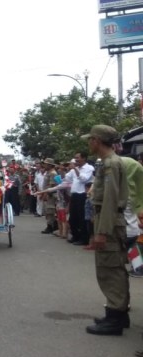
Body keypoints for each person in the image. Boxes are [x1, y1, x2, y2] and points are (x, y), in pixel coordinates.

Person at [82, 125, 130, 336]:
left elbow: (110, 200)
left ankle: (116, 318)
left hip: (108, 220)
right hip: (106, 218)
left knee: (110, 271)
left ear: (97, 141)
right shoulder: (109, 163)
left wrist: (102, 231)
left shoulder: (111, 164)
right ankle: (116, 314)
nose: (89, 143)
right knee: (112, 269)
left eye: (90, 139)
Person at [68, 152, 95, 245]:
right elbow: (67, 179)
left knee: (82, 218)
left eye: (77, 158)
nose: (76, 160)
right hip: (74, 194)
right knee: (72, 218)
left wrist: (75, 169)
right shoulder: (74, 169)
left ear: (84, 158)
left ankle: (84, 238)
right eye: (75, 158)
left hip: (83, 194)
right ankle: (75, 236)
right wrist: (65, 169)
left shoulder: (89, 168)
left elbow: (84, 179)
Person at [40, 159, 58, 234]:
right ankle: (52, 226)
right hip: (47, 193)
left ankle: (51, 226)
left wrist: (45, 194)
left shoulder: (53, 173)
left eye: (46, 164)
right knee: (47, 211)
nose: (44, 165)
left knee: (50, 211)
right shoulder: (48, 173)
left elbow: (51, 185)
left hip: (51, 194)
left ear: (50, 165)